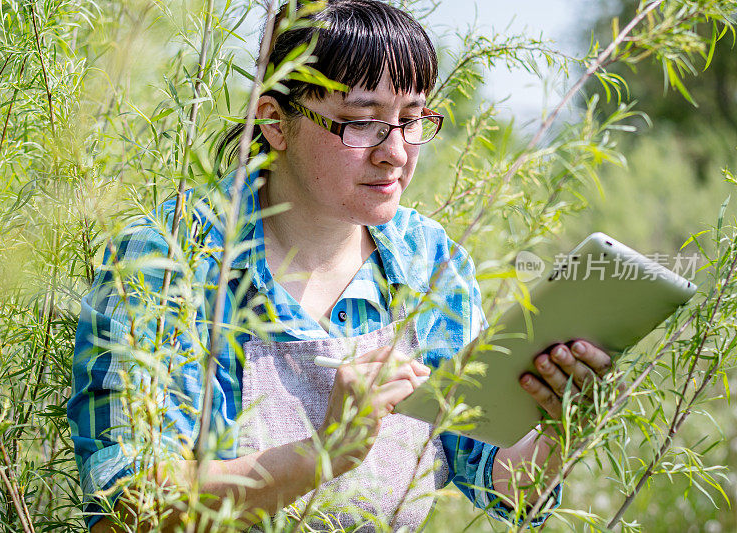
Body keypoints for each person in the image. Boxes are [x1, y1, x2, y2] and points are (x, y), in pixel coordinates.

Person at [68, 0, 617, 531]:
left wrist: (558, 426)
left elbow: (496, 478)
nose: (396, 152)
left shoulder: (430, 262)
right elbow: (130, 510)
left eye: (411, 118)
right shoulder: (169, 262)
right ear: (275, 122)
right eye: (361, 122)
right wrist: (323, 453)